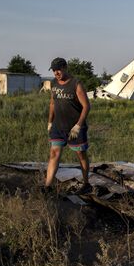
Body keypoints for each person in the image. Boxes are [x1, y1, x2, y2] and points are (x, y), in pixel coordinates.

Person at [43, 57, 92, 194]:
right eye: (53, 70)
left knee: (80, 154)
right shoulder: (54, 83)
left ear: (65, 67)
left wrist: (78, 126)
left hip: (74, 128)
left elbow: (86, 106)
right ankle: (48, 186)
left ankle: (86, 183)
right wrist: (50, 122)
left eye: (58, 69)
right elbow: (52, 103)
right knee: (54, 153)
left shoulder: (76, 84)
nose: (56, 73)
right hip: (58, 127)